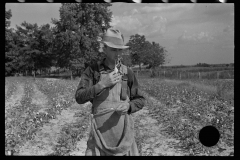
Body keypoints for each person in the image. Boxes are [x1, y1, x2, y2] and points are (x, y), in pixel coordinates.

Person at [75, 28, 145, 156]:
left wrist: (128, 106)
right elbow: (79, 97)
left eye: (120, 49)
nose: (118, 53)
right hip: (99, 136)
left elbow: (140, 99)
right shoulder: (93, 71)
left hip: (124, 137)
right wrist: (102, 84)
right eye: (113, 49)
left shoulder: (127, 72)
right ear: (104, 49)